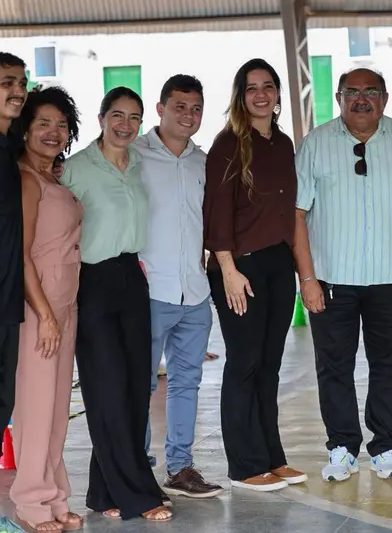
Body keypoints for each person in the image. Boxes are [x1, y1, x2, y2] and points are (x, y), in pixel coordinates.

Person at [294, 67, 392, 481]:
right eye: (353, 92)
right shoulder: (315, 144)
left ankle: (385, 445)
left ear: (385, 98)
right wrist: (307, 279)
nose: (362, 99)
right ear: (338, 97)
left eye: (371, 92)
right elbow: (297, 215)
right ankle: (343, 446)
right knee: (334, 366)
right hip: (332, 279)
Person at [60, 87, 172, 521]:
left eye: (134, 117)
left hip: (131, 277)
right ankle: (137, 495)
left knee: (131, 390)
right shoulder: (75, 169)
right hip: (93, 282)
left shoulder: (139, 163)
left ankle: (104, 491)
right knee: (106, 390)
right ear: (102, 117)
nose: (125, 125)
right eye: (117, 116)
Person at [203, 59, 305, 492]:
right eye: (251, 88)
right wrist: (227, 269)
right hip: (239, 265)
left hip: (278, 263)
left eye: (268, 86)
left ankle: (271, 457)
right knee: (244, 363)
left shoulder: (282, 143)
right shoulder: (228, 144)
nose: (261, 94)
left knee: (270, 365)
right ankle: (243, 465)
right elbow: (216, 211)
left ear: (279, 93)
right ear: (240, 96)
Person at [135, 74, 223, 498]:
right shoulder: (133, 155)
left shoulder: (202, 161)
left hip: (196, 291)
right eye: (180, 107)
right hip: (150, 290)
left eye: (196, 108)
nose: (188, 115)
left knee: (187, 382)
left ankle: (181, 467)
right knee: (142, 383)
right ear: (160, 109)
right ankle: (134, 465)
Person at [9, 87, 82, 532]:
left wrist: (62, 312)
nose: (53, 132)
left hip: (66, 302)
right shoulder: (25, 179)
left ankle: (55, 495)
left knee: (57, 410)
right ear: (25, 130)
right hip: (39, 308)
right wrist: (46, 314)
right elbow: (20, 256)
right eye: (43, 124)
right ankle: (31, 504)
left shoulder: (54, 178)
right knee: (35, 409)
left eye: (60, 125)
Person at [0, 53, 27, 463]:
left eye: (22, 82)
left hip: (8, 301)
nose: (18, 91)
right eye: (7, 82)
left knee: (4, 401)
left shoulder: (10, 149)